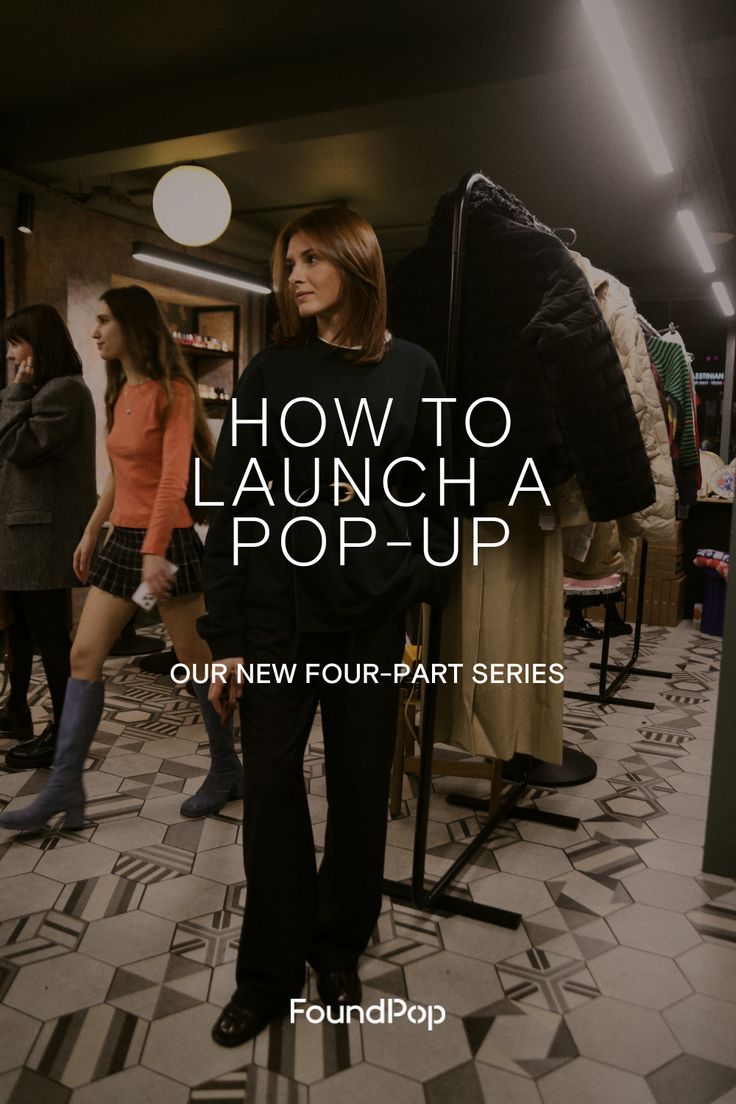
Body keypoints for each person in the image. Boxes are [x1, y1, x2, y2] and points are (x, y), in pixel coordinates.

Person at [198, 206, 452, 1046]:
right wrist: (226, 634)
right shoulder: (271, 373)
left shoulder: (415, 371)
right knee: (270, 788)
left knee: (356, 788)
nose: (295, 274)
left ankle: (338, 945)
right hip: (276, 621)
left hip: (370, 623)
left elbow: (442, 502)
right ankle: (268, 971)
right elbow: (230, 507)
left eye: (312, 258)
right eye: (288, 262)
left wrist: (406, 573)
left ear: (357, 263)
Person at [0, 285, 243, 831]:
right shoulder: (119, 393)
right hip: (122, 542)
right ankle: (66, 789)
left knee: (197, 662)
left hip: (169, 544)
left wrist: (155, 551)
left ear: (132, 326)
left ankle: (227, 768)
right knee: (84, 656)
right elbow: (119, 477)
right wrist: (91, 531)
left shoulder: (174, 391)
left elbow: (172, 480)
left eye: (104, 321)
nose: (94, 331)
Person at [0, 304, 96, 768]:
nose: (11, 353)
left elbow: (16, 446)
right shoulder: (48, 390)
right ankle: (19, 710)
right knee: (21, 628)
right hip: (23, 529)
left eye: (17, 342)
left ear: (39, 344)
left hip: (41, 533)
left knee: (51, 636)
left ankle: (63, 734)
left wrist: (17, 390)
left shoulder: (64, 391)